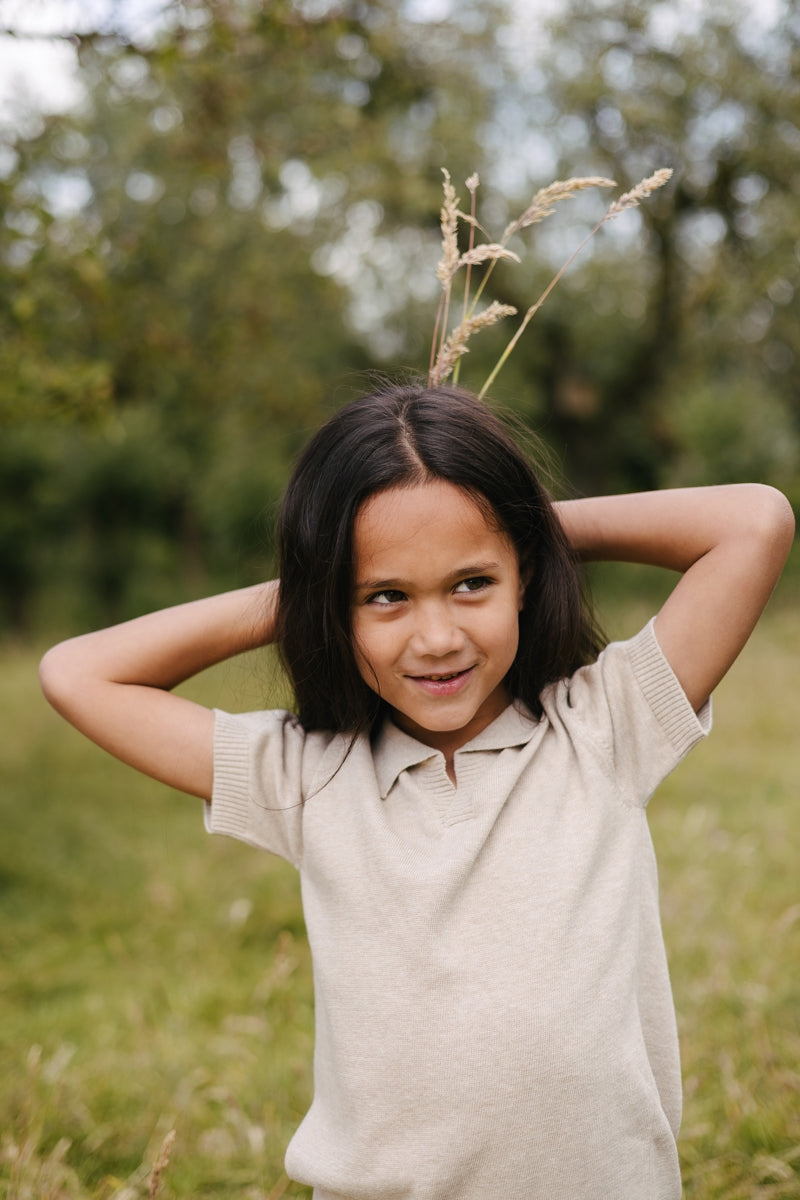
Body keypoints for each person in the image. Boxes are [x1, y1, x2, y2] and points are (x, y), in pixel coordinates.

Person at [40, 380, 794, 1200]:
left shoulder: (603, 731)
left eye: (473, 582)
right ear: (336, 609)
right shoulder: (309, 776)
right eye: (386, 596)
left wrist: (521, 521)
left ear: (526, 576)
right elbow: (79, 673)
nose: (437, 639)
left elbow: (754, 523)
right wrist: (307, 587)